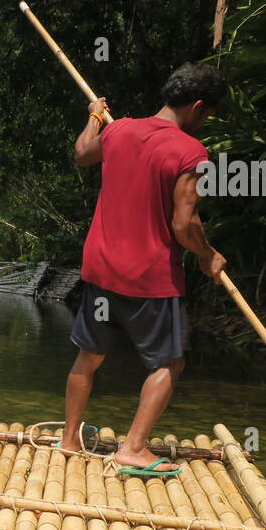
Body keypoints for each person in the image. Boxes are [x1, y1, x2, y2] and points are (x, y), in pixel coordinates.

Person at [59, 63, 227, 478]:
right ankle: (132, 449)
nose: (205, 123)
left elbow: (82, 153)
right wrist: (207, 255)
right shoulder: (190, 152)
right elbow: (185, 224)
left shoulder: (119, 130)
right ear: (199, 106)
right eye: (208, 115)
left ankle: (68, 440)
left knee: (89, 354)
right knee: (169, 364)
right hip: (149, 277)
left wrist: (95, 117)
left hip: (100, 267)